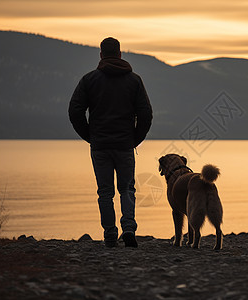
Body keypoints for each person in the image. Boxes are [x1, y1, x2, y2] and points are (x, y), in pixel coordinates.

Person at [69, 37, 153, 248]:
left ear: (100, 55)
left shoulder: (89, 80)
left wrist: (90, 135)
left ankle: (109, 233)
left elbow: (74, 111)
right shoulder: (134, 80)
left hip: (100, 146)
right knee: (127, 189)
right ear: (120, 54)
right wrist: (135, 139)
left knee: (105, 191)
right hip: (125, 144)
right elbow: (146, 114)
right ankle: (128, 228)